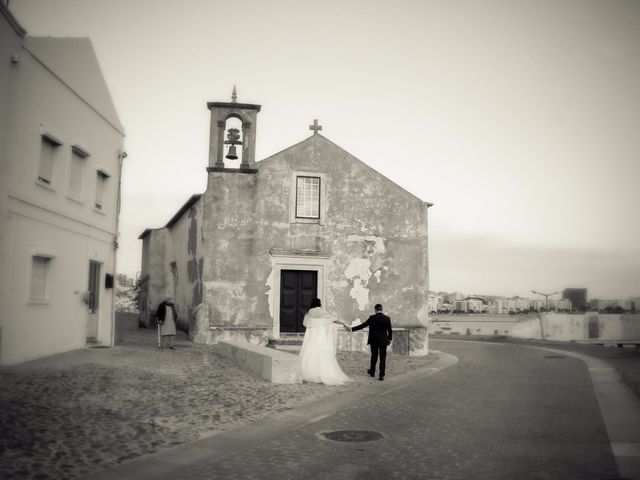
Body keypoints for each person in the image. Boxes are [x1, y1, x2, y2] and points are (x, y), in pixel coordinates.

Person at [299, 298, 352, 385]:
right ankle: (324, 373)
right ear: (319, 304)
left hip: (312, 336)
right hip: (321, 336)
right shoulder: (321, 311)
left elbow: (305, 324)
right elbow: (333, 319)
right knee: (322, 353)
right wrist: (344, 324)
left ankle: (309, 373)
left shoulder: (309, 312)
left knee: (310, 353)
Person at [351, 303, 393, 380]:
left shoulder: (372, 318)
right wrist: (389, 339)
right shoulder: (387, 318)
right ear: (381, 309)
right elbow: (390, 330)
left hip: (374, 340)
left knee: (374, 356)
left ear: (375, 309)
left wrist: (352, 329)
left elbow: (363, 325)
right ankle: (381, 375)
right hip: (383, 340)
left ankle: (372, 372)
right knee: (383, 357)